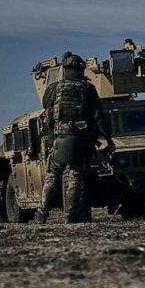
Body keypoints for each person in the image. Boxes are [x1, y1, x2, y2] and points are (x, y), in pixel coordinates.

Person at [35, 52, 115, 223]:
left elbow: (46, 110)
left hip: (57, 139)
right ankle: (70, 215)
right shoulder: (87, 89)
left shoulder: (53, 88)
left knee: (52, 177)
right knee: (74, 176)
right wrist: (108, 139)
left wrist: (51, 137)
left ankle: (42, 212)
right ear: (80, 70)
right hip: (78, 140)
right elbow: (98, 116)